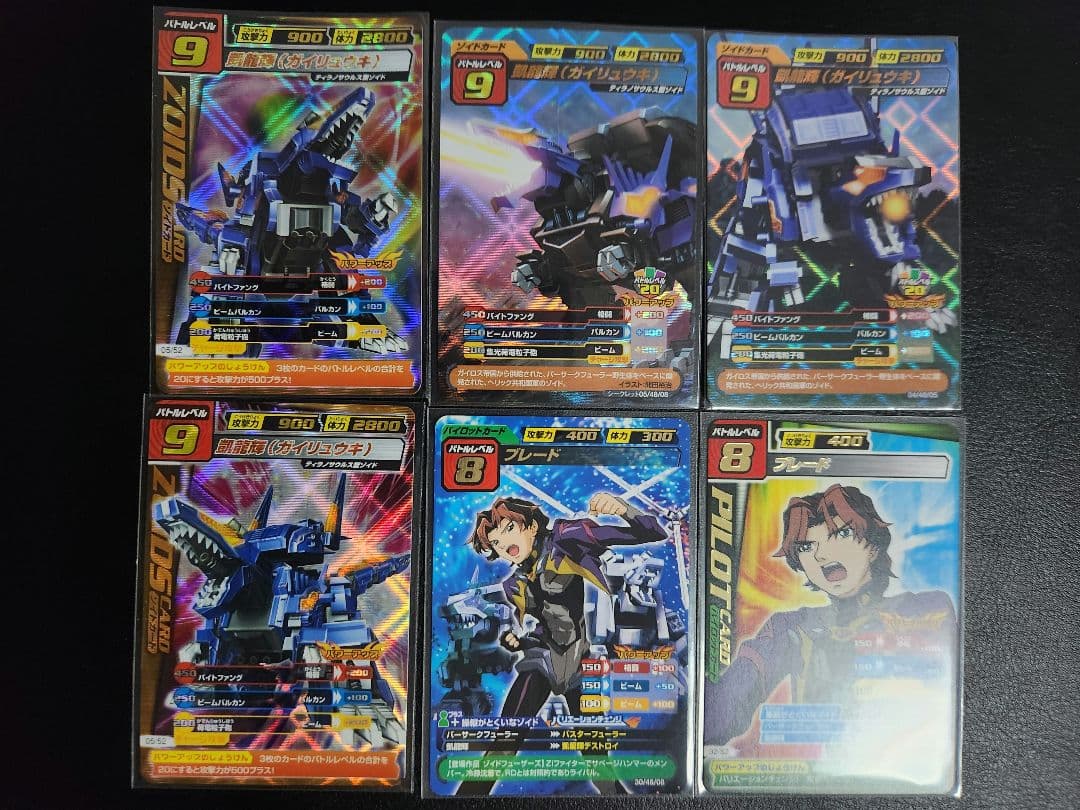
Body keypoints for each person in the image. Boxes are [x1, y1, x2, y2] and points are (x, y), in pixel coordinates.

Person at [703, 484, 957, 751]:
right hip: (817, 770)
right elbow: (724, 710)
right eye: (806, 546)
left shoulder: (925, 609)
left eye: (841, 534)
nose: (820, 555)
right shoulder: (791, 627)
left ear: (872, 546)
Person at [456, 491, 666, 795]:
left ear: (531, 526)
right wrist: (516, 641)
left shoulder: (567, 538)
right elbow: (539, 628)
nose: (505, 545)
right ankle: (467, 799)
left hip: (578, 662)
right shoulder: (513, 585)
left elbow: (652, 532)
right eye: (497, 544)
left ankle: (617, 800)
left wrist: (622, 508)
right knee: (505, 740)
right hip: (542, 661)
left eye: (509, 529)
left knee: (594, 752)